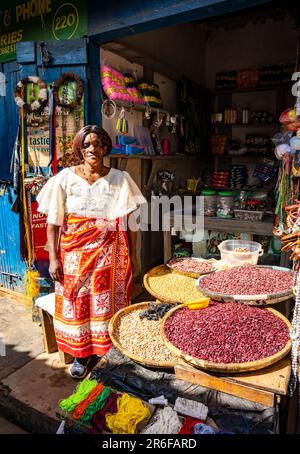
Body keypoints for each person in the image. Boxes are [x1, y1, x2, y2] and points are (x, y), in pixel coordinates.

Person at [37, 125, 146, 378]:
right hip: (73, 255)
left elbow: (131, 224)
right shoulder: (64, 179)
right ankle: (80, 355)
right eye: (86, 145)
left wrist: (135, 256)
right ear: (80, 149)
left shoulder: (120, 179)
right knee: (77, 301)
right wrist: (53, 258)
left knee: (105, 303)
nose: (92, 149)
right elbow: (53, 223)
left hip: (109, 254)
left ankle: (103, 353)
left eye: (97, 144)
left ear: (105, 148)